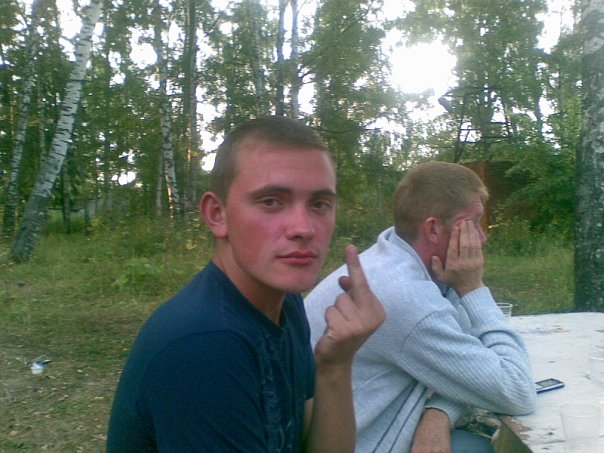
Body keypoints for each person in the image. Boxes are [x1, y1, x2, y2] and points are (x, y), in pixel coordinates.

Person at [106, 116, 385, 452]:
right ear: (217, 214)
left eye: (319, 204)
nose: (304, 228)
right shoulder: (204, 345)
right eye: (271, 201)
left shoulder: (285, 304)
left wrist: (336, 366)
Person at [305, 161, 536, 453]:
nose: (482, 237)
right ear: (433, 229)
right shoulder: (407, 296)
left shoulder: (395, 257)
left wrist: (439, 412)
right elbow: (516, 390)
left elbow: (472, 362)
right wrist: (472, 288)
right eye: (474, 222)